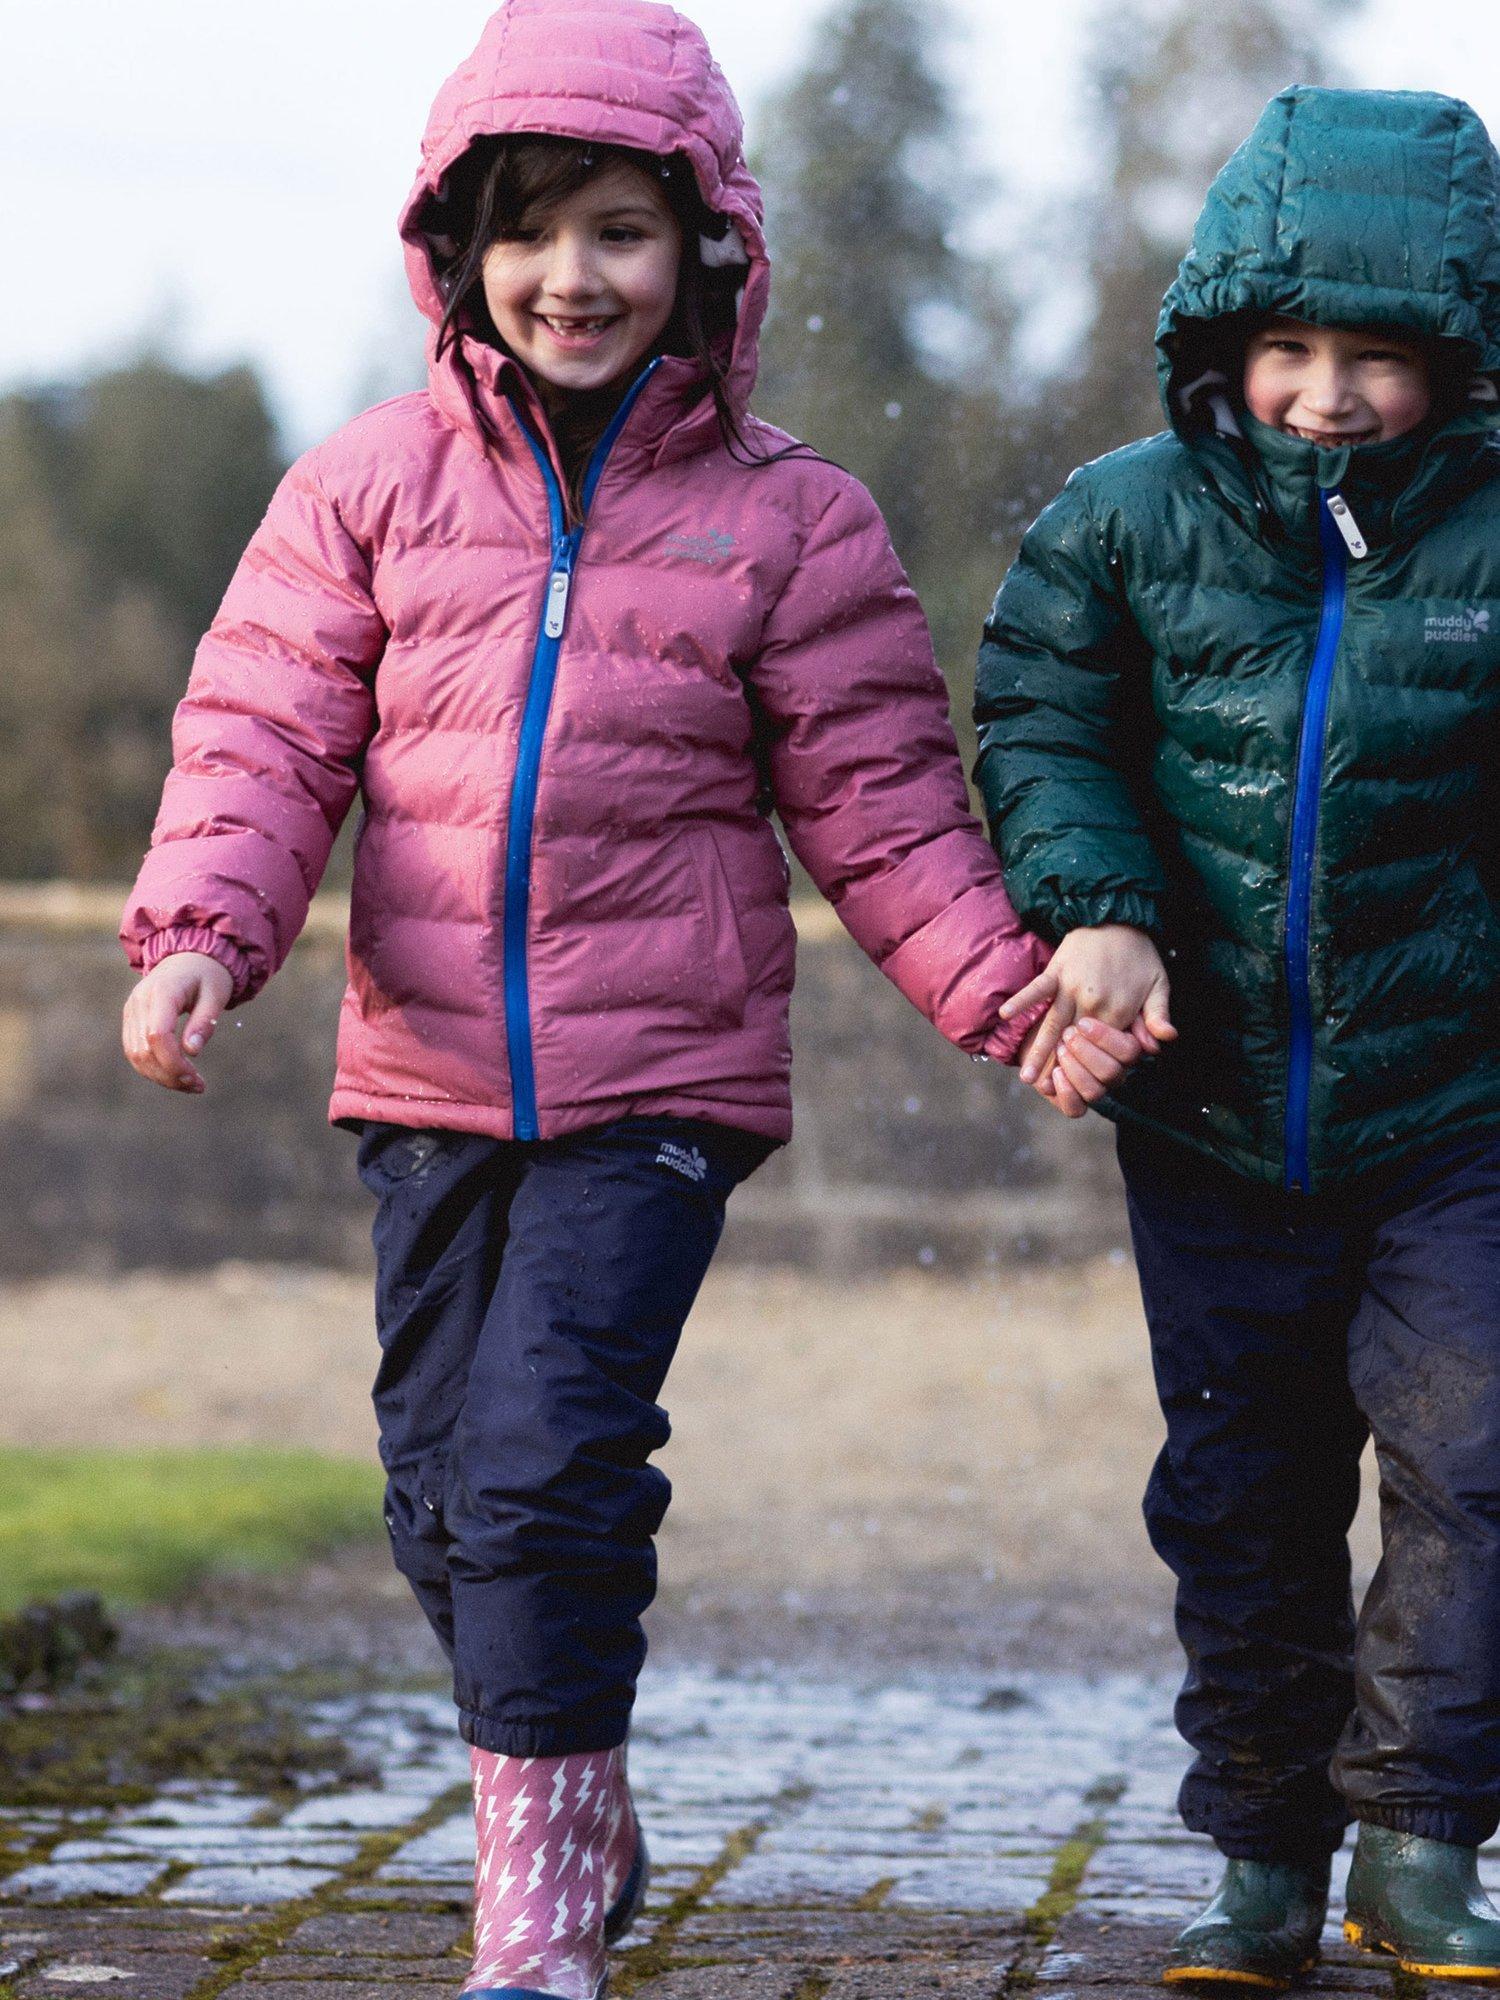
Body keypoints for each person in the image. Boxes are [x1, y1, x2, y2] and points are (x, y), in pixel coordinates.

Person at [119, 3, 1147, 1995]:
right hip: (423, 1072)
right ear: (456, 251)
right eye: (527, 231)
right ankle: (570, 1780)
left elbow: (883, 804)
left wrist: (1005, 993)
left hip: (662, 1083)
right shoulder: (364, 488)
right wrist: (200, 940)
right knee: (439, 1490)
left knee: (542, 1470)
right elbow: (260, 742)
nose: (570, 276)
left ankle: (533, 1904)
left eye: (619, 231)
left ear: (706, 250)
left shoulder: (791, 517)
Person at [976, 85, 1500, 1991]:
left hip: (1458, 1109)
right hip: (1212, 1120)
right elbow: (1039, 721)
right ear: (1221, 341)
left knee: (1481, 1460)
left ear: (1459, 355)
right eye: (1288, 349)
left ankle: (1422, 1842)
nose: (1327, 395)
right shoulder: (1124, 520)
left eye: (1377, 356)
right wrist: (1100, 904)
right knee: (1244, 1493)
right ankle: (1265, 1854)